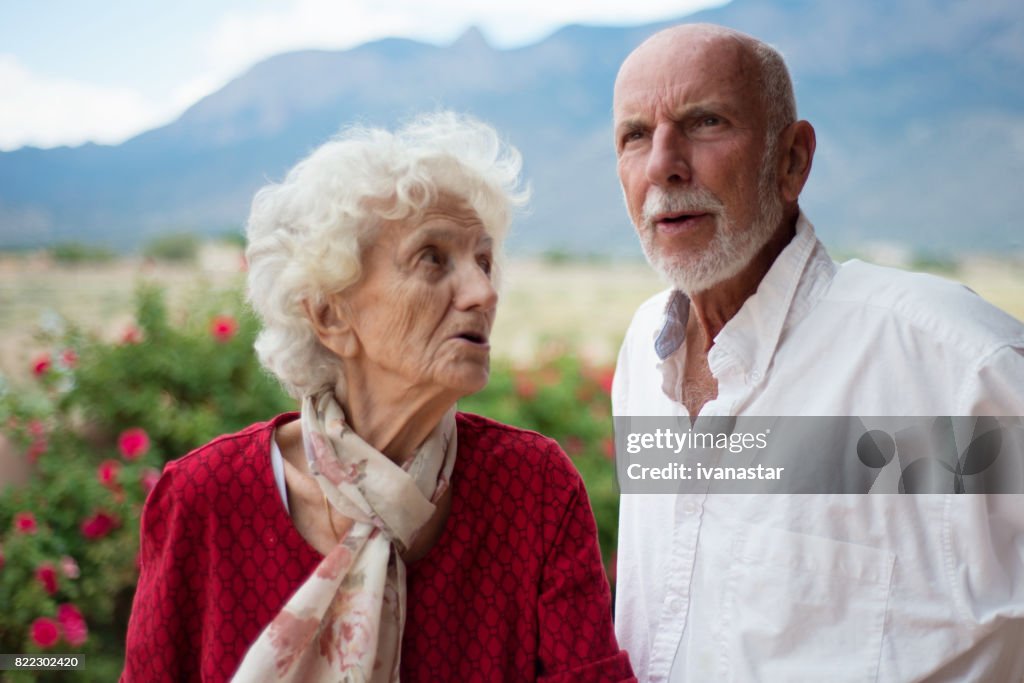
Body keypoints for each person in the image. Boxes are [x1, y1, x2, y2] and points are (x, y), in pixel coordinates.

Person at [121, 112, 635, 682]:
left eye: (484, 261)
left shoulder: (532, 489)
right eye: (433, 258)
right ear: (329, 314)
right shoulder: (205, 500)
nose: (484, 292)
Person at [610, 23, 1024, 682]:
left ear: (792, 160)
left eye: (705, 121)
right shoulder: (642, 351)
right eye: (635, 135)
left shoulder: (955, 368)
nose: (663, 163)